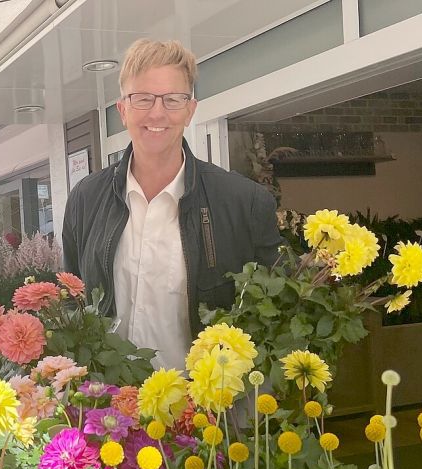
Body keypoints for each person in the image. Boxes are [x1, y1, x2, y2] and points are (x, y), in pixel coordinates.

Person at [62, 39, 282, 370]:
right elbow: (70, 299)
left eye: (173, 99)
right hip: (109, 408)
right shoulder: (85, 199)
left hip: (203, 411)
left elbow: (274, 316)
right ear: (122, 110)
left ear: (190, 111)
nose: (157, 112)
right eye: (143, 99)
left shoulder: (244, 203)